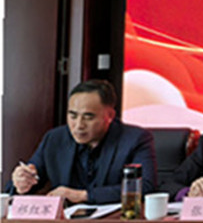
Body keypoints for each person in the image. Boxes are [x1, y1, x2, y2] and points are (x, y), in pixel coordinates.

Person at [5, 79, 156, 204]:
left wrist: (82, 195)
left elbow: (146, 187)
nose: (78, 125)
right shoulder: (55, 139)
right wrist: (21, 182)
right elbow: (30, 178)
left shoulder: (135, 139)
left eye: (88, 117)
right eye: (73, 115)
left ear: (110, 115)